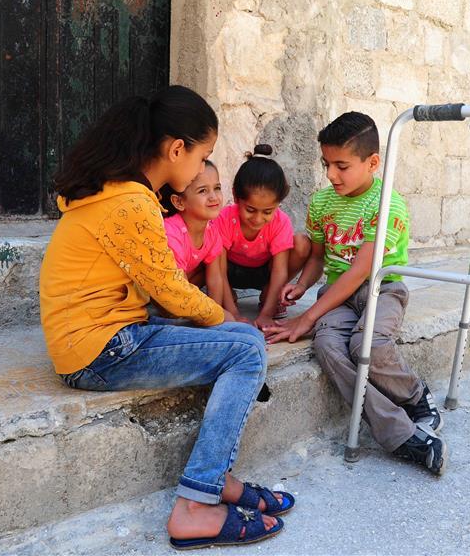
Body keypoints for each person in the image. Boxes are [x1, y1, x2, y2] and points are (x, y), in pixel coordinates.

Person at [39, 86, 292, 550]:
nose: (201, 170)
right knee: (246, 348)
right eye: (203, 158)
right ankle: (197, 503)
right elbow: (173, 292)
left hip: (104, 338)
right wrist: (225, 321)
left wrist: (219, 323)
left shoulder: (112, 190)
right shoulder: (131, 202)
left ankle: (218, 479)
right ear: (177, 149)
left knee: (234, 340)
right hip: (101, 350)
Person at [266, 112, 446, 476]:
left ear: (373, 162)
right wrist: (301, 285)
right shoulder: (321, 203)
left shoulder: (387, 204)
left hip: (383, 288)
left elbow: (361, 270)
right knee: (329, 348)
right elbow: (318, 257)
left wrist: (308, 316)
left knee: (368, 344)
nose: (331, 174)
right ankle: (403, 436)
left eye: (341, 166)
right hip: (336, 292)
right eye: (326, 164)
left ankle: (413, 394)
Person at [216, 144, 311, 330]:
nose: (258, 219)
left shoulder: (280, 222)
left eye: (267, 211)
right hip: (228, 271)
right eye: (250, 210)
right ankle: (228, 297)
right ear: (236, 196)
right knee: (207, 251)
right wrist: (232, 312)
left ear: (278, 204)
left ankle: (269, 295)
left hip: (264, 272)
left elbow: (279, 271)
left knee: (302, 243)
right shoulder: (225, 218)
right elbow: (217, 269)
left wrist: (266, 314)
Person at [159, 160, 225, 306]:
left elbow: (215, 278)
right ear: (179, 202)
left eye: (217, 188)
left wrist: (218, 311)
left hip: (185, 284)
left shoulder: (211, 230)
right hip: (165, 293)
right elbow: (176, 284)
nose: (214, 197)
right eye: (203, 191)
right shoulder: (172, 232)